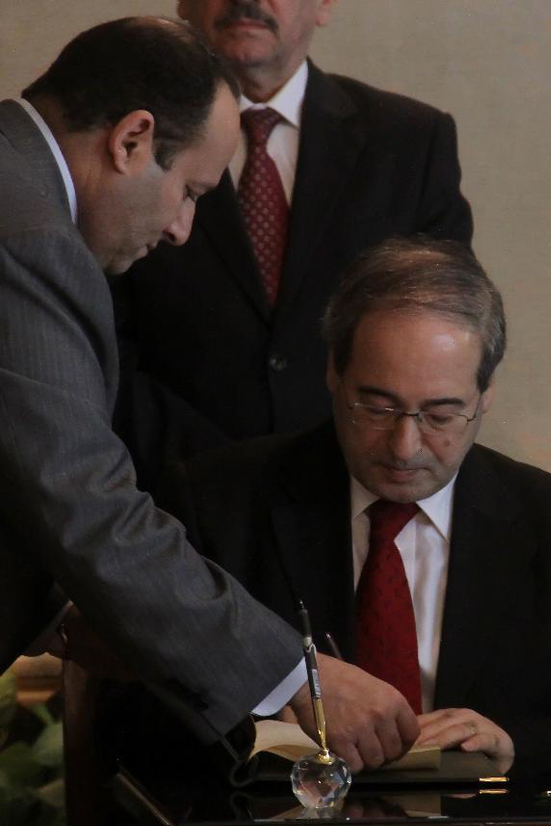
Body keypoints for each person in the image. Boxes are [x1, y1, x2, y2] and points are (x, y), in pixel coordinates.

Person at [0, 16, 418, 773]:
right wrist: (301, 677)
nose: (184, 229)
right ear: (131, 139)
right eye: (190, 190)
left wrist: (74, 603)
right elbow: (86, 504)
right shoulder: (28, 236)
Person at [161, 237, 551, 776]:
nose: (404, 447)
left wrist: (514, 747)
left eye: (440, 416)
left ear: (485, 395)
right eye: (376, 407)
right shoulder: (219, 502)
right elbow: (155, 709)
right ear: (333, 373)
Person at [113, 0, 474, 488]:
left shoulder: (410, 141)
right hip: (164, 489)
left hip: (348, 493)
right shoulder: (127, 135)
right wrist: (212, 472)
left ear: (324, 4)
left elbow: (446, 329)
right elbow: (98, 337)